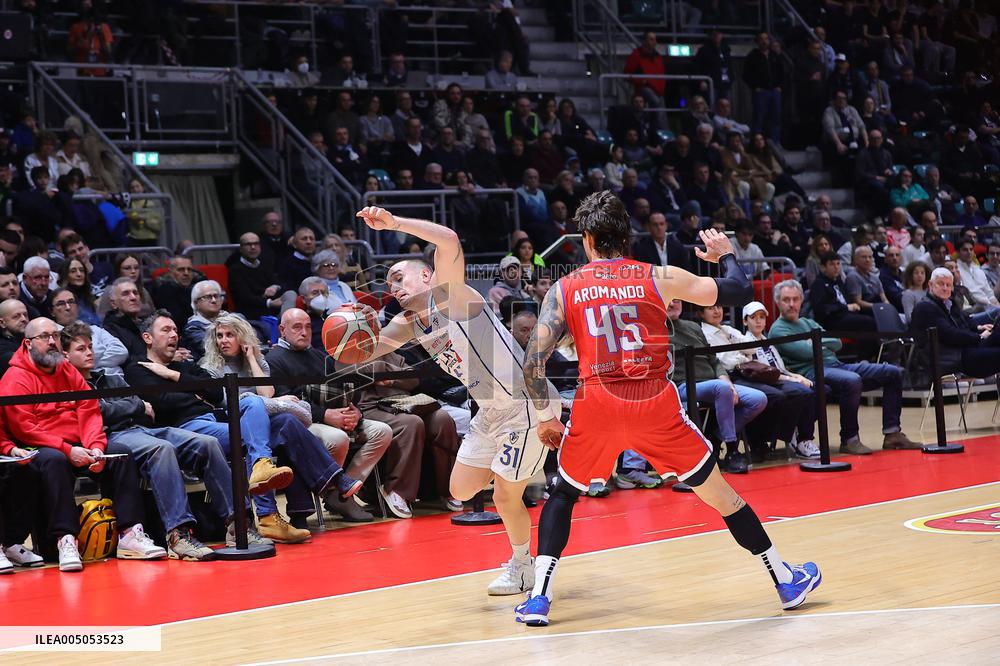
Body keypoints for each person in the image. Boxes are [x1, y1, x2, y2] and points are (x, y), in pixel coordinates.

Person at [514, 191, 819, 627]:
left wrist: (546, 417)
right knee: (721, 497)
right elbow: (736, 289)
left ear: (587, 239)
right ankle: (786, 581)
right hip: (653, 401)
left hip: (597, 401)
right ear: (628, 237)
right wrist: (726, 254)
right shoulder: (659, 276)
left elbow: (532, 363)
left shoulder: (565, 289)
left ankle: (539, 600)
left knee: (563, 493)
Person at [355, 206, 563, 597]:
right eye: (389, 283)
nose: (394, 286)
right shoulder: (406, 323)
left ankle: (523, 567)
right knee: (462, 490)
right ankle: (540, 474)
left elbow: (448, 239)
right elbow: (359, 354)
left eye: (401, 276)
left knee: (504, 495)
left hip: (527, 405)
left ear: (428, 276)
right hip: (489, 411)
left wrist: (396, 223)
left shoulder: (454, 297)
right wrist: (347, 331)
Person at [60, 322, 241, 561]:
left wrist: (131, 406)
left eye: (90, 347)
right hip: (114, 436)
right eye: (81, 349)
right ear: (65, 355)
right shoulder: (67, 385)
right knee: (162, 449)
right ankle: (179, 535)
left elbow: (141, 405)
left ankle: (239, 524)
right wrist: (133, 406)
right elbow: (103, 410)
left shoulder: (110, 378)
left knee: (207, 442)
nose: (89, 353)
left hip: (143, 428)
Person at [0, 317, 167, 572]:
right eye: (44, 337)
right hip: (41, 445)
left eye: (55, 335)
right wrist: (68, 450)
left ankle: (130, 535)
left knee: (120, 453)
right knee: (54, 462)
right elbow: (25, 428)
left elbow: (89, 410)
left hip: (81, 442)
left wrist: (96, 446)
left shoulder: (67, 370)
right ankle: (66, 539)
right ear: (28, 344)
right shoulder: (15, 377)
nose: (52, 341)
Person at [199, 314, 363, 540]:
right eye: (219, 336)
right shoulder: (209, 368)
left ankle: (299, 512)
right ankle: (334, 481)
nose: (223, 340)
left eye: (230, 335)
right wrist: (278, 403)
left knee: (288, 424)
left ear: (243, 337)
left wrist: (252, 360)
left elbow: (266, 393)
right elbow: (234, 403)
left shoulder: (259, 361)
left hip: (260, 423)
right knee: (271, 416)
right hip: (229, 425)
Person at [266, 308, 394, 524]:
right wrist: (325, 415)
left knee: (382, 431)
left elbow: (344, 388)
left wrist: (355, 411)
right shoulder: (273, 359)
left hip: (335, 416)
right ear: (282, 330)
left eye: (308, 326)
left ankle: (341, 494)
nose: (304, 332)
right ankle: (333, 489)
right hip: (302, 424)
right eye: (297, 327)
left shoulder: (317, 355)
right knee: (337, 438)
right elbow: (284, 403)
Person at [770, 279, 920, 454]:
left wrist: (816, 341)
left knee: (893, 372)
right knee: (852, 380)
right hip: (811, 372)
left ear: (801, 301)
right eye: (786, 300)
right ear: (777, 302)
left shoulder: (807, 322)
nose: (791, 304)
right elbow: (806, 352)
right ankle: (849, 439)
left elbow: (837, 342)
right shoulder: (777, 329)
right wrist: (817, 342)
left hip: (837, 365)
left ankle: (892, 433)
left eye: (795, 299)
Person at [739, 302, 819, 458]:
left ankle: (798, 429)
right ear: (745, 321)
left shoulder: (766, 340)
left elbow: (778, 367)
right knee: (803, 392)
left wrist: (796, 376)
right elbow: (763, 372)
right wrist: (792, 379)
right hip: (764, 382)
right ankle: (801, 438)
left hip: (780, 377)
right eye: (753, 317)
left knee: (821, 390)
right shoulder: (745, 343)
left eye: (762, 317)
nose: (758, 321)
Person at [910, 268, 1000, 378]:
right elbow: (950, 334)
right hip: (948, 358)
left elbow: (967, 321)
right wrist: (979, 337)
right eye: (940, 284)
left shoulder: (949, 302)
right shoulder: (925, 307)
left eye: (948, 285)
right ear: (930, 284)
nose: (945, 288)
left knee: (997, 335)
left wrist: (979, 328)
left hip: (963, 351)